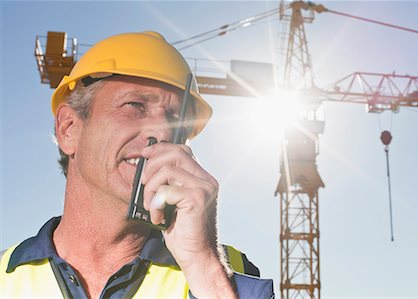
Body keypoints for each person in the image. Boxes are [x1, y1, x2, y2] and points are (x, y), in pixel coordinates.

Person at [0, 31, 274, 298]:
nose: (164, 132)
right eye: (134, 105)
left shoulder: (222, 272)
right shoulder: (5, 277)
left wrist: (203, 267)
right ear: (69, 129)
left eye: (176, 120)